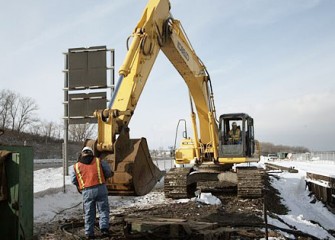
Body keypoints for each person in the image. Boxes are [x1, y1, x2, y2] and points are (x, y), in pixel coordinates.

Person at [71, 146, 112, 239]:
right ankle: (104, 229)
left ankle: (89, 233)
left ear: (82, 153)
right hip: (101, 188)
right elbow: (108, 172)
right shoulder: (99, 161)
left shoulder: (76, 166)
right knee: (103, 210)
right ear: (91, 153)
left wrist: (82, 183)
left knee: (89, 212)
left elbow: (73, 180)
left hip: (87, 191)